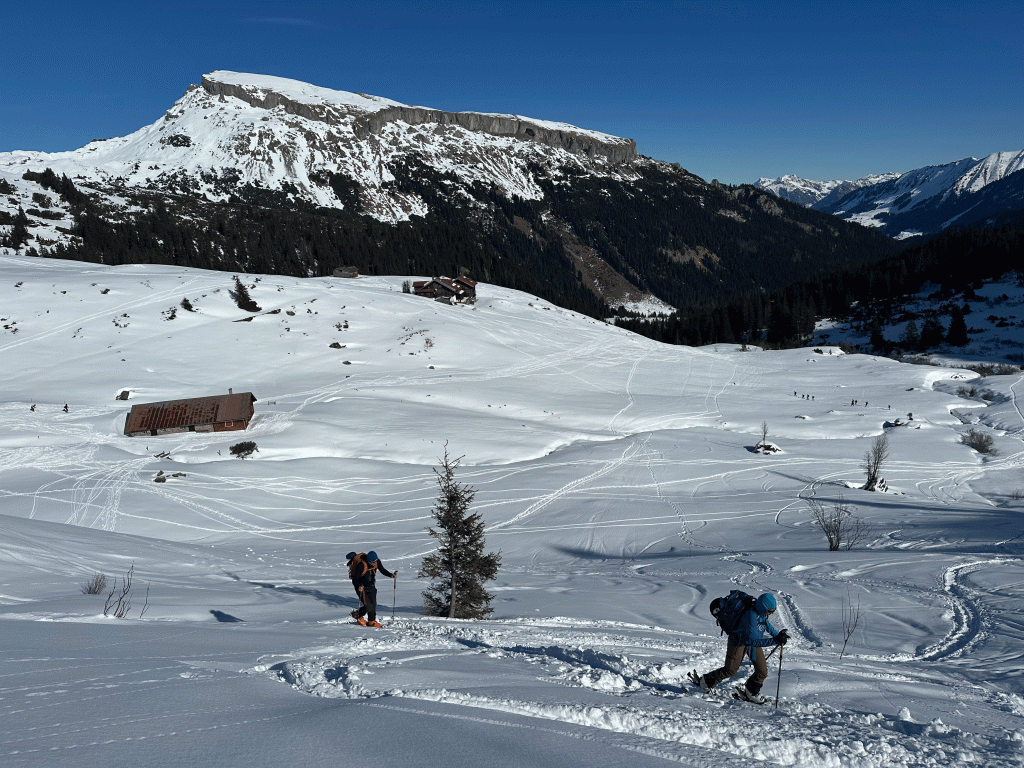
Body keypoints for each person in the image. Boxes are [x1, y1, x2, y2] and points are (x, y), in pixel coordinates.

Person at [691, 592, 789, 704]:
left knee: (762, 671)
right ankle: (706, 682)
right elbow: (753, 641)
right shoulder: (751, 616)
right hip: (738, 642)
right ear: (763, 608)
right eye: (770, 611)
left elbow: (765, 624)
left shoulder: (761, 612)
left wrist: (777, 635)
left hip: (751, 642)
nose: (771, 613)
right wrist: (775, 640)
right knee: (730, 670)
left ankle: (751, 693)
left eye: (773, 611)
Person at [348, 550, 396, 628]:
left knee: (373, 605)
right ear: (368, 561)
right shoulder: (361, 565)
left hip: (371, 586)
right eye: (372, 562)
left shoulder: (377, 562)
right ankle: (357, 615)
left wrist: (391, 575)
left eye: (375, 561)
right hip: (361, 588)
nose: (374, 563)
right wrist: (359, 585)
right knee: (368, 606)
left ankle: (371, 622)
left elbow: (382, 570)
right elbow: (355, 579)